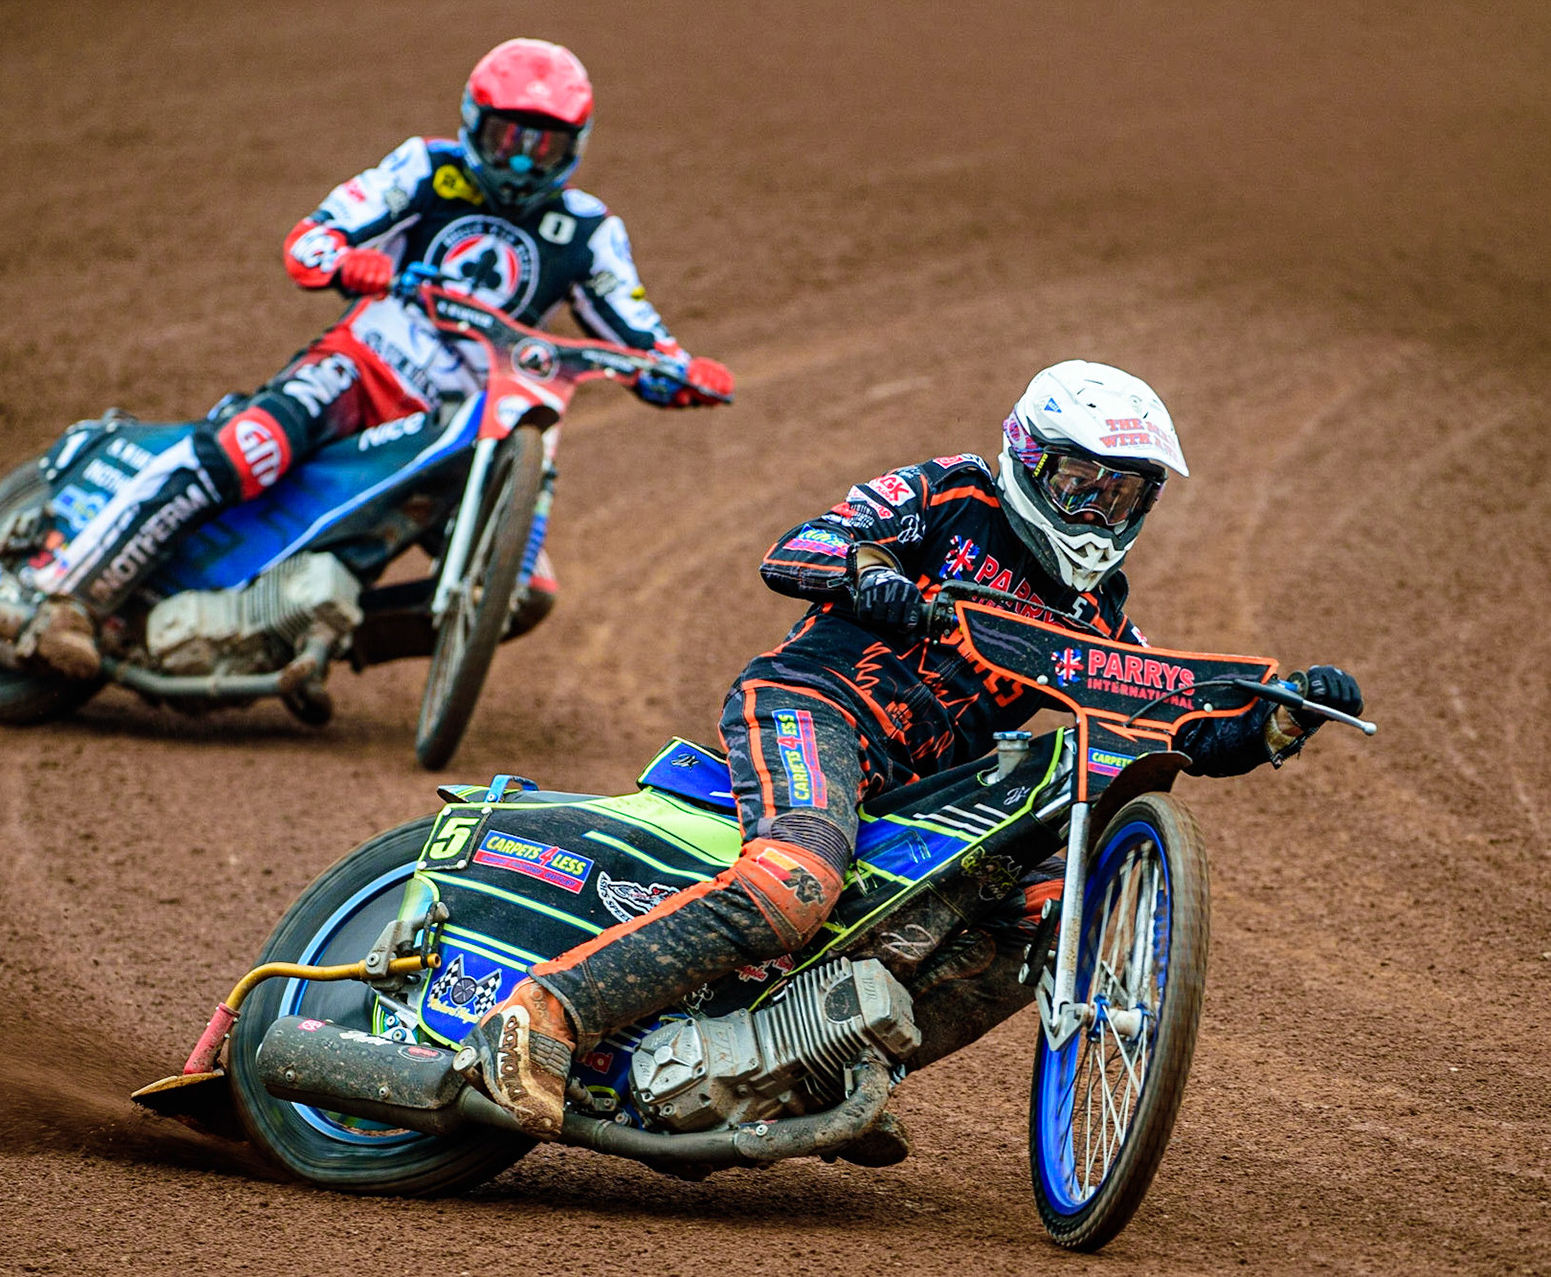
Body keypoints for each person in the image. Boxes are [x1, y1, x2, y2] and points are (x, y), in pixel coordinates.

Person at [466, 359, 1364, 1137]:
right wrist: (881, 582)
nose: (1096, 509)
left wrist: (1278, 722)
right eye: (1079, 482)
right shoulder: (947, 493)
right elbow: (802, 546)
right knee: (794, 882)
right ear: (1026, 457)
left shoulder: (1097, 610)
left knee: (1048, 913)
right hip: (814, 703)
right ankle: (546, 1010)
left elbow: (1168, 719)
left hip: (919, 788)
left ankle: (811, 1076)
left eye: (1122, 493)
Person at [20, 38, 733, 677]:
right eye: (507, 136)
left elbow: (640, 334)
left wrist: (684, 371)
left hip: (467, 424)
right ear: (472, 120)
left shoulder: (588, 229)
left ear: (573, 146)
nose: (520, 160)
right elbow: (313, 238)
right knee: (249, 447)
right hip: (361, 368)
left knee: (520, 587)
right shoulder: (425, 168)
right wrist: (349, 262)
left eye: (541, 145)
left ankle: (308, 640)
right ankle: (65, 595)